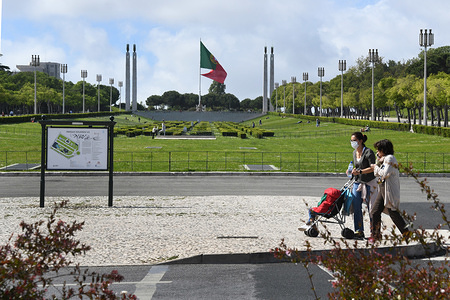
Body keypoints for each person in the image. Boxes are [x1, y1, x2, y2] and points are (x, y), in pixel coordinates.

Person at [370, 139, 409, 242]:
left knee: (393, 213)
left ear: (384, 149)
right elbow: (376, 174)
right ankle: (376, 235)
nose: (377, 152)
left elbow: (385, 173)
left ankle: (407, 234)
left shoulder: (390, 158)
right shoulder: (384, 159)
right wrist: (377, 163)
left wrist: (375, 167)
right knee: (375, 211)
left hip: (389, 190)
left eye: (378, 150)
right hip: (383, 188)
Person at [348, 132, 377, 239]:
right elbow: (355, 165)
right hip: (358, 182)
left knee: (372, 209)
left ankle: (374, 232)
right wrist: (351, 170)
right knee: (356, 207)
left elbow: (373, 167)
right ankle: (359, 230)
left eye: (354, 140)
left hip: (369, 182)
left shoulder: (369, 152)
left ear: (360, 141)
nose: (352, 143)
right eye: (351, 140)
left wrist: (360, 172)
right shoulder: (354, 152)